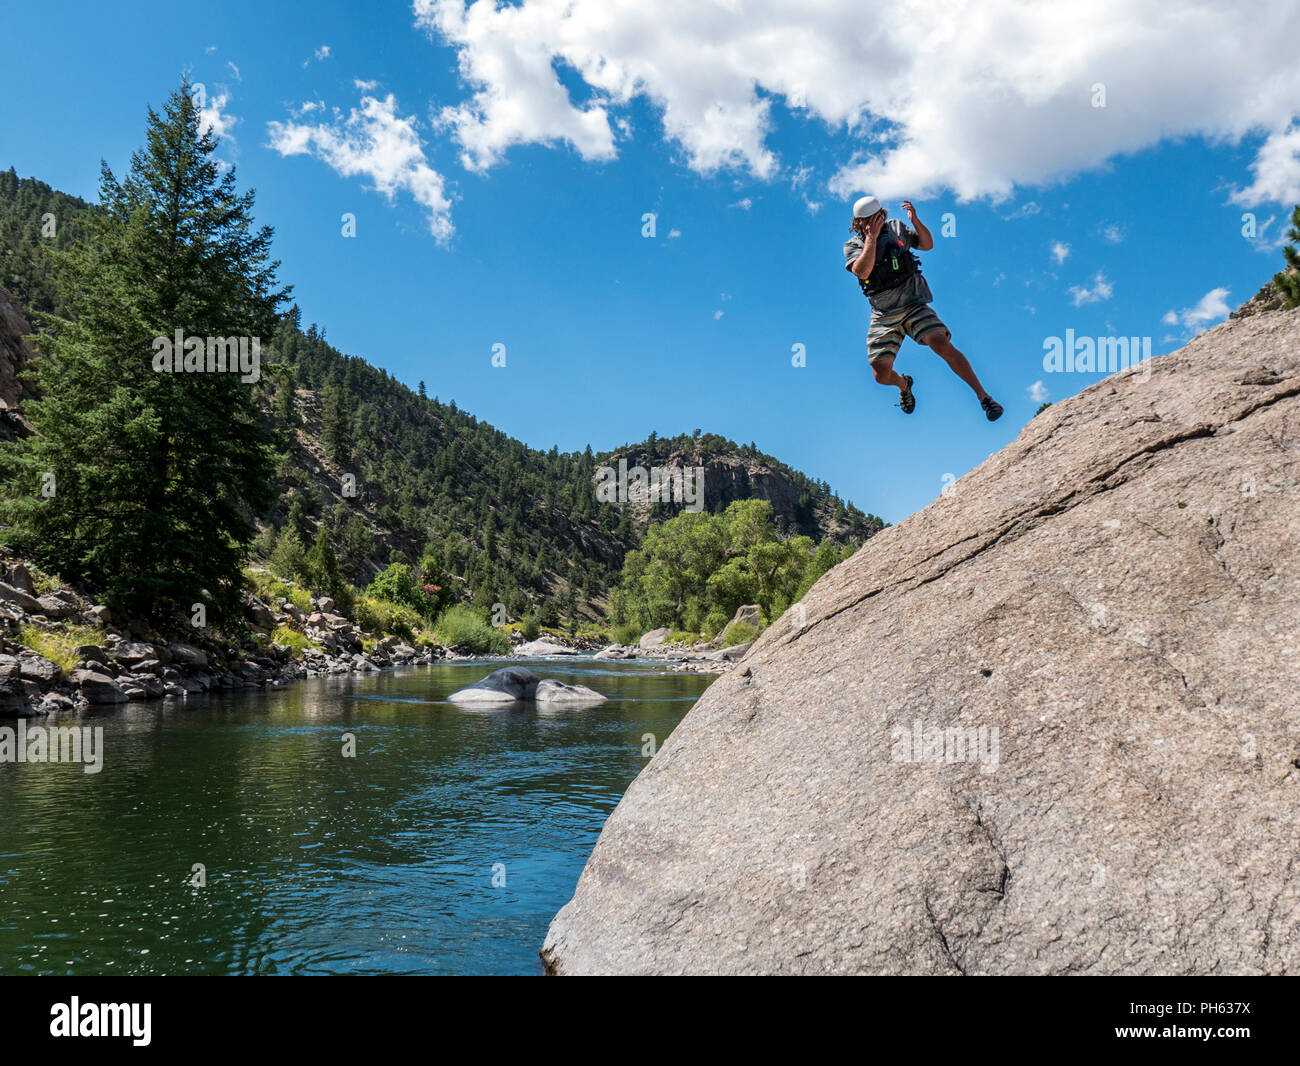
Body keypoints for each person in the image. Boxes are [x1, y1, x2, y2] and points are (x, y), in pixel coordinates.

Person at [844, 195, 1002, 420]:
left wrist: (915, 221)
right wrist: (871, 238)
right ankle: (903, 385)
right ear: (858, 222)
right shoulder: (853, 246)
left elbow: (927, 244)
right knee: (880, 375)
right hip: (884, 314)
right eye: (867, 220)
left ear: (883, 214)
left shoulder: (896, 228)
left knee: (941, 344)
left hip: (914, 303)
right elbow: (862, 271)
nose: (873, 222)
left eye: (877, 217)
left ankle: (984, 398)